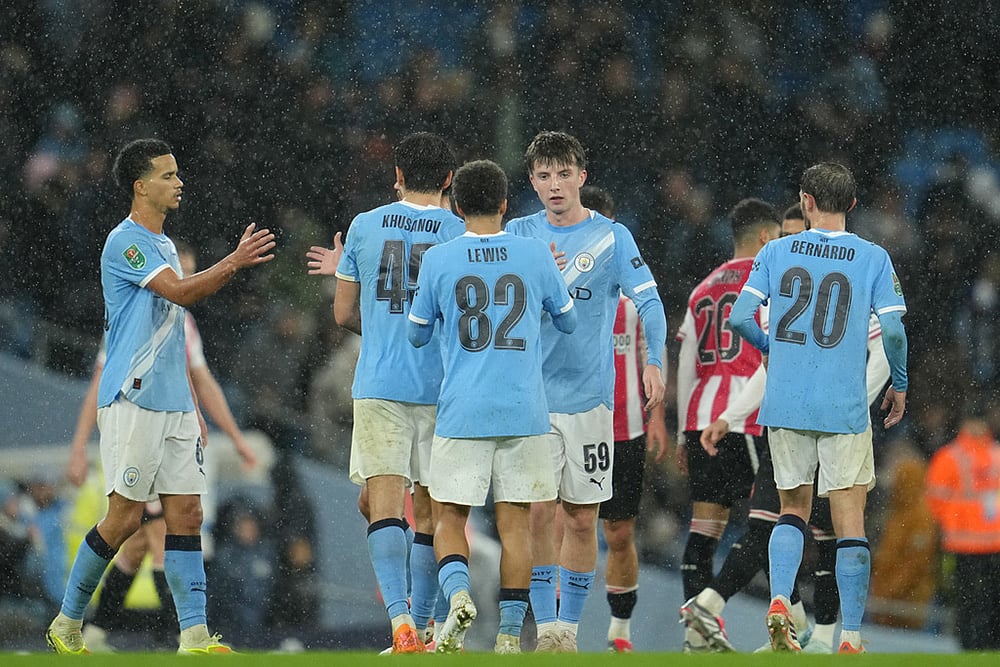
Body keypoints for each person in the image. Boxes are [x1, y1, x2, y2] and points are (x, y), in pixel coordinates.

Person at [45, 138, 275, 655]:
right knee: (125, 520)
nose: (179, 182)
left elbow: (182, 309)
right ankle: (67, 622)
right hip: (133, 400)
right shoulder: (123, 243)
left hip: (176, 405)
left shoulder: (166, 245)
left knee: (187, 515)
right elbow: (182, 292)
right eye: (168, 175)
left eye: (178, 174)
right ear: (140, 185)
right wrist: (233, 262)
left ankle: (193, 634)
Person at [681, 202, 891, 654]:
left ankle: (806, 626)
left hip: (791, 416)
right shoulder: (847, 268)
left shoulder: (796, 273)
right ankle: (823, 633)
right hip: (821, 418)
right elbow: (773, 361)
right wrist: (732, 414)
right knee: (812, 526)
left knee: (799, 527)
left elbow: (765, 350)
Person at [730, 162, 908, 654]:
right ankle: (849, 636)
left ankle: (781, 601)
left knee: (792, 510)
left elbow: (740, 316)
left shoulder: (776, 251)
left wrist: (768, 345)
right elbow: (892, 330)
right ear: (852, 205)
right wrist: (902, 383)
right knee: (849, 521)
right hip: (843, 404)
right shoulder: (873, 257)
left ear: (805, 201)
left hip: (786, 401)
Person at [505, 131, 667, 653]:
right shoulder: (518, 233)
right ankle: (547, 625)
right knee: (537, 514)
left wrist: (655, 362)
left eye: (563, 174)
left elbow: (651, 303)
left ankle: (568, 632)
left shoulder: (614, 238)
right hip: (532, 400)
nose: (554, 185)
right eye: (544, 176)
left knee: (582, 517)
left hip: (592, 401)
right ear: (532, 182)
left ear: (581, 177)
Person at [408, 159, 577, 654]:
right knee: (514, 524)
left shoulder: (440, 260)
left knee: (448, 518)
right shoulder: (533, 254)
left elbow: (418, 334)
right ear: (506, 204)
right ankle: (507, 635)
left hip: (463, 408)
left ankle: (458, 596)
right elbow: (566, 322)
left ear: (457, 206)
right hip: (524, 410)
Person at [305, 132, 464, 653]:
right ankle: (426, 623)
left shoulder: (365, 226)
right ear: (448, 179)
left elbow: (343, 314)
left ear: (396, 174)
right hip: (442, 388)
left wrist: (380, 324)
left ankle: (400, 625)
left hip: (381, 384)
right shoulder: (462, 234)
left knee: (382, 505)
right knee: (436, 510)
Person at [66, 240, 259, 652]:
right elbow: (99, 382)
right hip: (136, 428)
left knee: (143, 540)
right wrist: (79, 446)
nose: (186, 280)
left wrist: (219, 427)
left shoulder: (183, 324)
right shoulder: (134, 316)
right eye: (180, 272)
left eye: (189, 271)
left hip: (172, 425)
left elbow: (196, 378)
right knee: (140, 531)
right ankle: (162, 632)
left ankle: (110, 630)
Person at [673, 198, 780, 652]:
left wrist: (682, 431)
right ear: (764, 238)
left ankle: (694, 637)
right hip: (746, 416)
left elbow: (685, 362)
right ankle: (785, 625)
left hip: (700, 416)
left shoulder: (703, 289)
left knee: (705, 528)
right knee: (771, 522)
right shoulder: (767, 282)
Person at [579, 185, 669, 653]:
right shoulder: (563, 288)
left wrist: (656, 419)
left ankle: (620, 632)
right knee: (564, 525)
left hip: (625, 429)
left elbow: (647, 355)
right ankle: (559, 628)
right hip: (574, 423)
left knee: (618, 532)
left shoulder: (634, 303)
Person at [925, 408, 1000, 651]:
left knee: (985, 600)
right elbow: (936, 499)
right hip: (963, 544)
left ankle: (984, 646)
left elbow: (936, 500)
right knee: (970, 600)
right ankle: (972, 646)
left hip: (989, 543)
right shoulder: (950, 457)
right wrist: (956, 522)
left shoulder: (992, 454)